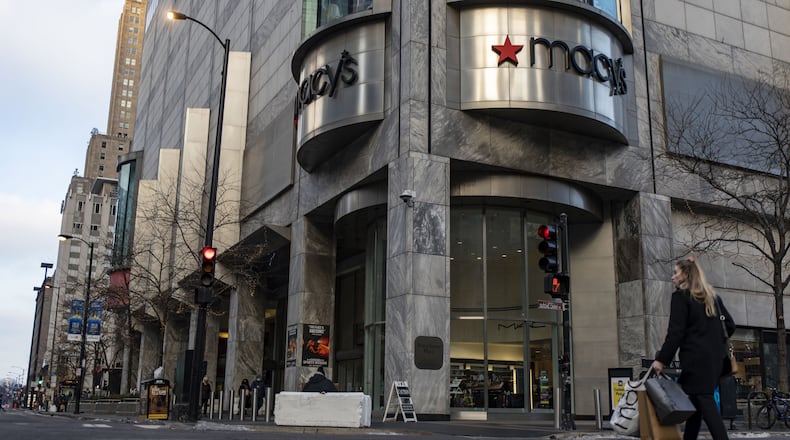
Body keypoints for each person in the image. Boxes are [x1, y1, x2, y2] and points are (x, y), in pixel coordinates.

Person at [651, 257, 735, 440]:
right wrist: (712, 342)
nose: (672, 277)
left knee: (704, 400)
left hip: (695, 362)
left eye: (676, 273)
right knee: (696, 405)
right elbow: (730, 325)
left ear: (686, 275)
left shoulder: (681, 297)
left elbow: (675, 333)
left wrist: (661, 360)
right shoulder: (713, 298)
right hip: (715, 361)